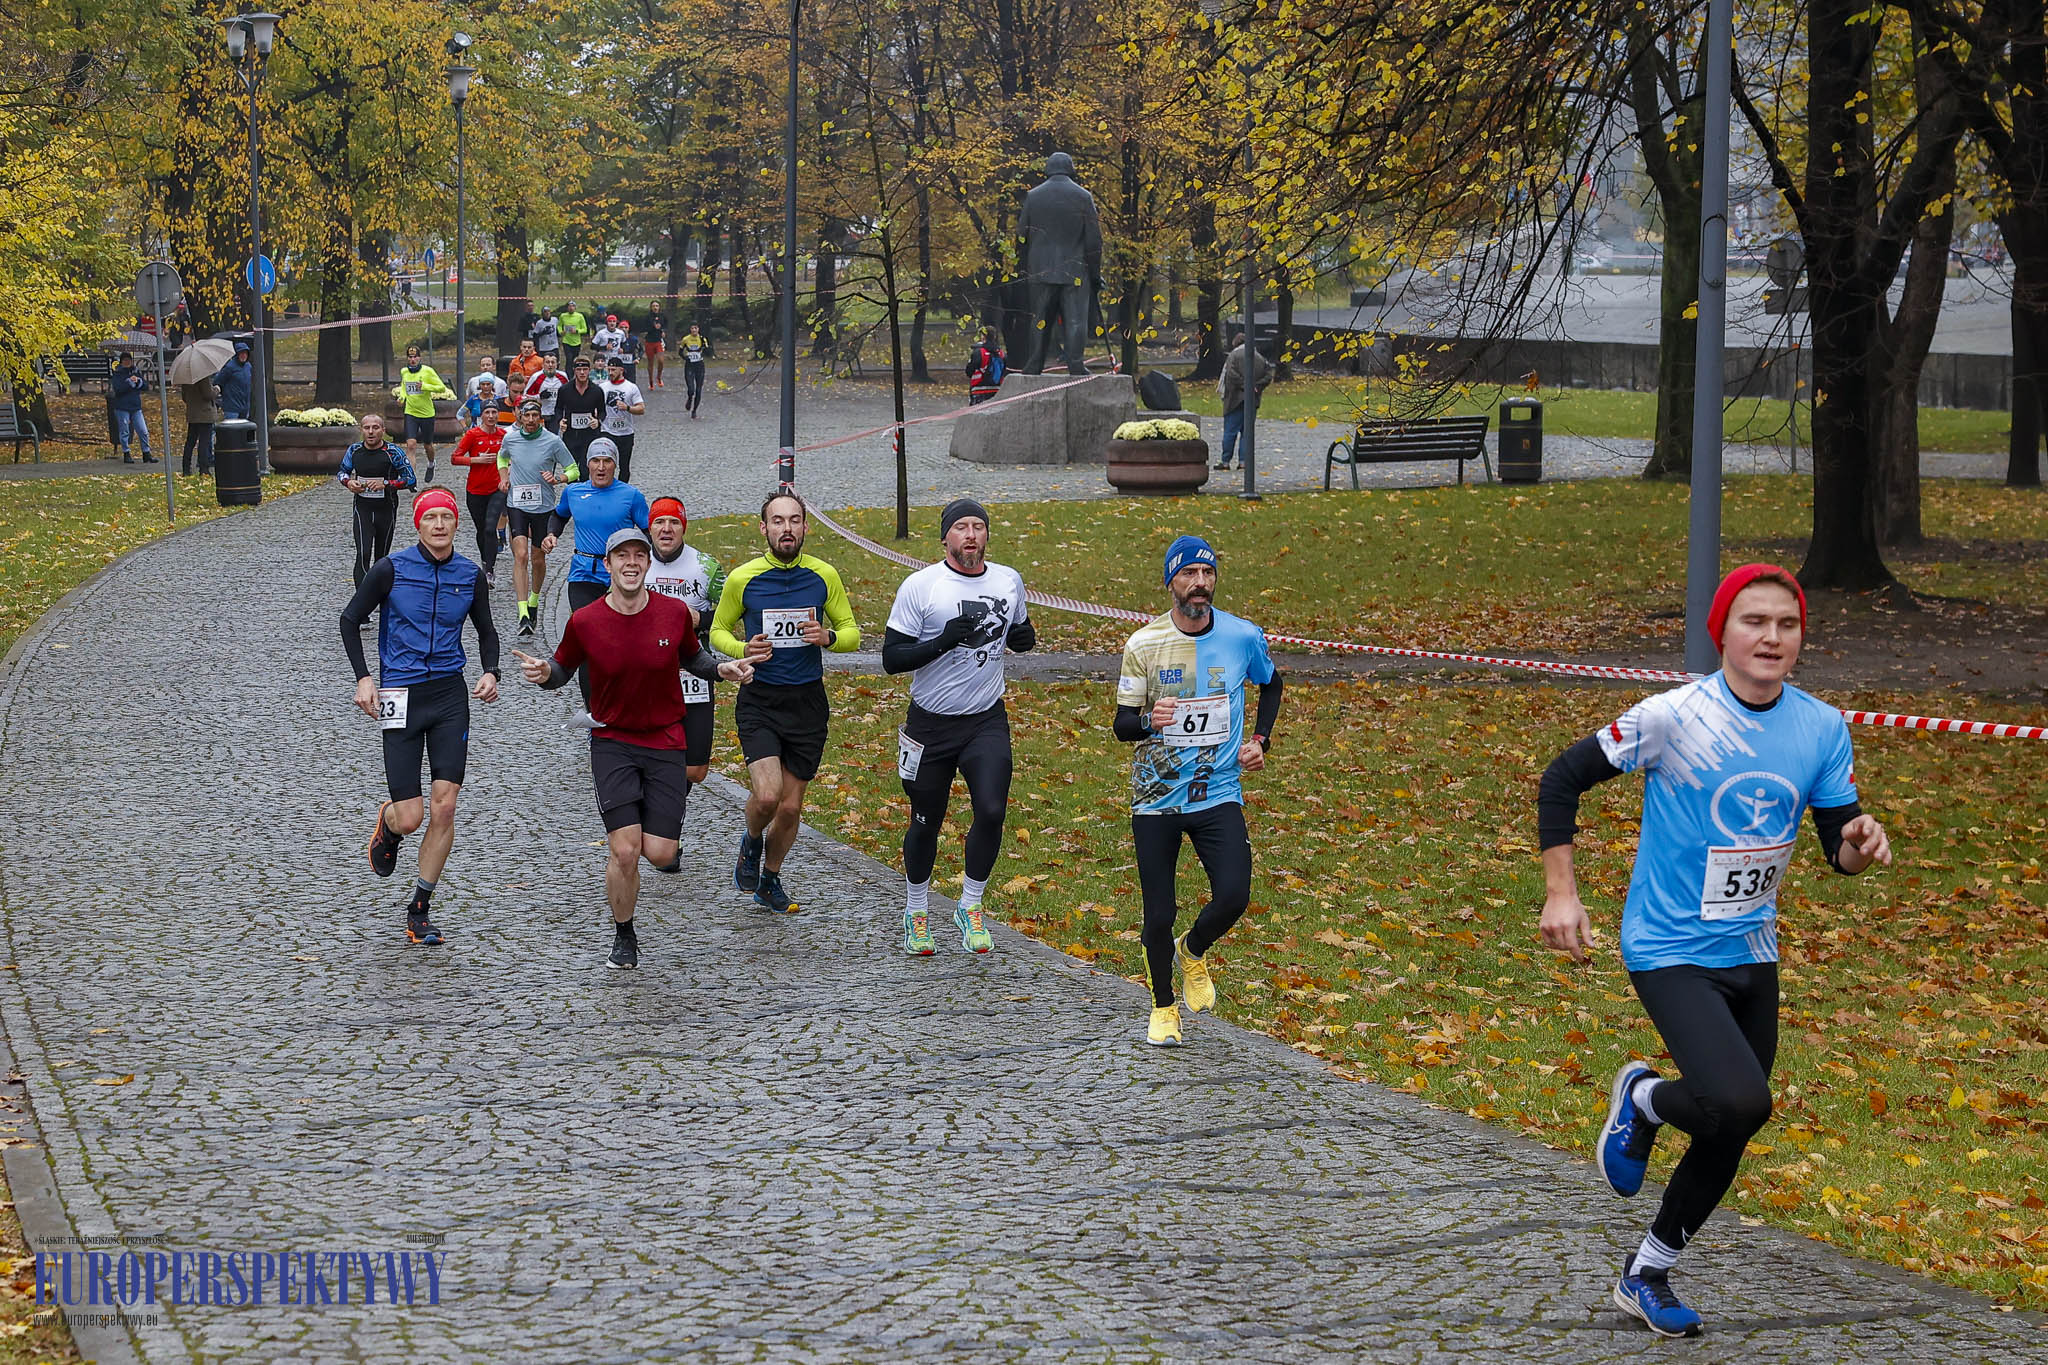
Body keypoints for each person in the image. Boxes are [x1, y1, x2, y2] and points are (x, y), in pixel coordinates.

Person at [1536, 564, 1892, 1340]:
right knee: (1739, 1100)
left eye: (1787, 624)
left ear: (1801, 637)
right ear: (1722, 632)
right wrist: (1563, 891)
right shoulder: (1673, 717)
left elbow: (1841, 843)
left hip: (1751, 949)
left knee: (1731, 1122)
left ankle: (1647, 1272)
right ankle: (1641, 1099)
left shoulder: (1821, 726)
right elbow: (1561, 778)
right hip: (1667, 946)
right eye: (1754, 621)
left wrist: (1862, 844)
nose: (1771, 637)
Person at [513, 527, 754, 968]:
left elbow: (692, 657)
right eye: (620, 556)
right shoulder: (585, 620)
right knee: (625, 851)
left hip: (665, 739)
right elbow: (563, 667)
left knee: (660, 853)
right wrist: (543, 673)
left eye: (638, 556)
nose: (630, 563)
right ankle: (624, 934)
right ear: (607, 566)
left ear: (647, 564)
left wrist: (723, 668)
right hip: (613, 741)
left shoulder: (674, 613)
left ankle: (640, 824)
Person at [1113, 535, 1283, 1047]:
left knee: (1234, 895)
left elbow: (1272, 684)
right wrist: (1149, 720)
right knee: (1158, 912)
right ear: (1171, 582)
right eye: (1189, 574)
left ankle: (1194, 949)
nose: (1200, 583)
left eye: (1208, 574)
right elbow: (1122, 726)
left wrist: (1260, 741)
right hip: (1157, 797)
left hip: (1218, 790)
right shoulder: (1144, 644)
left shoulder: (1241, 636)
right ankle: (1163, 1007)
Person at [340, 487, 501, 947]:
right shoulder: (391, 569)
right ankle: (388, 826)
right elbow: (350, 620)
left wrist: (490, 671)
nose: (438, 525)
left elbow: (487, 631)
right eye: (429, 517)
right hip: (401, 694)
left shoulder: (469, 575)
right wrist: (363, 679)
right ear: (418, 524)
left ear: (455, 524)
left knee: (446, 803)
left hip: (449, 694)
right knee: (411, 816)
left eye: (445, 518)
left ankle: (420, 908)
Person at [882, 499, 1035, 955]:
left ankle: (970, 905)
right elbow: (892, 659)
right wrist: (945, 639)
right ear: (944, 537)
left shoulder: (1008, 581)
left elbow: (1019, 630)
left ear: (987, 536)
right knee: (926, 821)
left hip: (985, 719)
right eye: (961, 528)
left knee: (991, 810)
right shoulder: (922, 586)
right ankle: (916, 911)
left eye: (978, 527)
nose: (970, 535)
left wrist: (1024, 639)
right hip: (930, 724)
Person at [708, 492, 860, 915]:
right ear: (764, 529)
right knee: (769, 797)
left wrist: (828, 637)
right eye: (778, 521)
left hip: (807, 701)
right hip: (760, 698)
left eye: (794, 520)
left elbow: (852, 633)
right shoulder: (744, 578)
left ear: (806, 527)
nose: (787, 528)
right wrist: (742, 646)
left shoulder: (823, 575)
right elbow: (717, 630)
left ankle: (770, 878)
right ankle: (752, 839)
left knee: (791, 808)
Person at [543, 439, 649, 714]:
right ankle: (594, 712)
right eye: (595, 461)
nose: (601, 467)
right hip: (583, 576)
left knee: (622, 640)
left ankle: (625, 700)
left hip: (620, 578)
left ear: (616, 464)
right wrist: (552, 534)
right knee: (590, 642)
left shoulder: (631, 495)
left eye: (607, 461)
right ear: (587, 464)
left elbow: (648, 535)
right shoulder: (574, 492)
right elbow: (559, 516)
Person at [644, 498, 726, 787]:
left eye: (674, 522)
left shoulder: (706, 566)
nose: (667, 529)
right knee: (646, 755)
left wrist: (700, 620)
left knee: (696, 769)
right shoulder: (636, 563)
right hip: (646, 675)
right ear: (650, 528)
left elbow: (732, 613)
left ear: (684, 527)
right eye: (659, 522)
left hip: (694, 674)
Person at [497, 398, 576, 636]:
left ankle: (534, 600)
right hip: (517, 504)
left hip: (542, 507)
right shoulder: (510, 438)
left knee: (538, 559)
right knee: (520, 555)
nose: (530, 420)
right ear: (520, 416)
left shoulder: (553, 441)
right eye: (527, 416)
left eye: (535, 416)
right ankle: (522, 614)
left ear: (540, 417)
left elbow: (574, 469)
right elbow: (502, 457)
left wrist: (559, 479)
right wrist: (503, 476)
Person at [337, 413, 420, 586]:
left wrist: (386, 484)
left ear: (383, 430)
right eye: (367, 428)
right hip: (363, 508)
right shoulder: (354, 450)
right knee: (363, 553)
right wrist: (348, 482)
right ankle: (362, 597)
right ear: (361, 430)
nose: (371, 432)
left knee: (381, 557)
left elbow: (410, 479)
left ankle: (380, 592)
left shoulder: (393, 452)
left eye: (375, 428)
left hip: (386, 509)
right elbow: (342, 471)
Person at [450, 400, 508, 584]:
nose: (491, 416)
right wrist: (476, 460)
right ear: (481, 415)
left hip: (497, 488)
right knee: (482, 529)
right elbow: (455, 458)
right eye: (487, 412)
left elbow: (513, 457)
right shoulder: (473, 435)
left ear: (498, 415)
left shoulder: (504, 435)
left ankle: (489, 570)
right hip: (475, 489)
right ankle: (485, 561)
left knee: (491, 528)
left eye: (494, 412)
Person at [393, 344, 455, 484]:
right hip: (411, 412)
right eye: (410, 357)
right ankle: (411, 478)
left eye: (415, 357)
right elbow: (404, 386)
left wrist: (425, 387)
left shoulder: (428, 371)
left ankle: (431, 463)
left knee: (428, 445)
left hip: (427, 413)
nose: (413, 359)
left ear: (420, 358)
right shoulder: (404, 371)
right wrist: (402, 397)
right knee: (411, 445)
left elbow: (441, 388)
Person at [1215, 330, 1272, 472]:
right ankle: (1243, 462)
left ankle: (1226, 461)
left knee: (1230, 431)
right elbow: (1268, 376)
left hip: (1234, 399)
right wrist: (1255, 386)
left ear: (1236, 343)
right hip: (1252, 399)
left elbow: (1231, 374)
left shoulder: (1233, 356)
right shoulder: (1260, 357)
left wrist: (1244, 385)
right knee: (1247, 433)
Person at [598, 356, 646, 484]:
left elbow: (641, 409)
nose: (610, 373)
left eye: (613, 370)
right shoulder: (602, 387)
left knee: (624, 467)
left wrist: (628, 407)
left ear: (621, 370)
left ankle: (622, 489)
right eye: (609, 369)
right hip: (607, 431)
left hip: (626, 432)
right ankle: (607, 487)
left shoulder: (631, 387)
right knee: (606, 464)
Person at [555, 356, 606, 470]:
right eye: (579, 370)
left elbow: (603, 411)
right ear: (574, 370)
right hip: (571, 435)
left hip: (590, 435)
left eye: (585, 369)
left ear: (589, 370)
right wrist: (560, 421)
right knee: (570, 470)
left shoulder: (597, 391)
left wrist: (598, 421)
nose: (582, 373)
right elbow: (558, 408)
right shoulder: (564, 390)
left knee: (585, 470)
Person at [110, 352, 156, 464]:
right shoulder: (118, 374)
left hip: (135, 406)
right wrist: (129, 383)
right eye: (125, 360)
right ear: (121, 362)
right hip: (122, 407)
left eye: (129, 360)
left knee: (143, 431)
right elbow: (118, 389)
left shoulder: (136, 371)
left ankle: (146, 453)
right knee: (124, 430)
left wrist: (138, 382)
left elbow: (145, 386)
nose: (127, 363)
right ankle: (126, 453)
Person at [180, 371, 219, 475]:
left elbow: (184, 397)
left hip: (192, 414)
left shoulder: (186, 378)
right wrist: (216, 389)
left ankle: (186, 468)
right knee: (204, 443)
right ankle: (204, 469)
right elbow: (208, 394)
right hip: (205, 414)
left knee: (190, 442)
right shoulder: (203, 376)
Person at [521, 351, 568, 434]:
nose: (550, 365)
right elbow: (525, 397)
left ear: (557, 364)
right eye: (547, 362)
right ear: (543, 364)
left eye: (553, 362)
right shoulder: (536, 377)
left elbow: (569, 394)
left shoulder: (563, 376)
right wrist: (540, 396)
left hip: (558, 414)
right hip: (543, 414)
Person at [464, 355, 511, 428]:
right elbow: (468, 396)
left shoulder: (501, 383)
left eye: (488, 365)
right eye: (483, 365)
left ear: (494, 366)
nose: (485, 367)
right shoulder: (473, 381)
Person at [214, 340, 253, 422]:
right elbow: (218, 381)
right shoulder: (230, 367)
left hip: (245, 407)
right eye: (241, 353)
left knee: (243, 432)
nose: (243, 355)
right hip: (231, 408)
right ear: (237, 354)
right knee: (232, 431)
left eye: (245, 353)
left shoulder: (248, 366)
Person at [965, 328, 1005, 405]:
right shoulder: (1001, 353)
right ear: (994, 337)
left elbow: (969, 371)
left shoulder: (978, 352)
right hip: (996, 390)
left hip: (979, 389)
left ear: (983, 337)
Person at [679, 323, 709, 418]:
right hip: (689, 366)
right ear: (690, 329)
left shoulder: (702, 339)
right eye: (692, 328)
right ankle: (689, 398)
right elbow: (680, 352)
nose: (694, 330)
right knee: (691, 389)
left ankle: (694, 410)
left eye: (695, 328)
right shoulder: (685, 339)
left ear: (698, 329)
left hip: (699, 366)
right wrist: (685, 357)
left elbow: (708, 351)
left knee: (699, 390)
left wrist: (704, 347)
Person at [645, 307, 667, 389]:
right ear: (651, 307)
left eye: (657, 306)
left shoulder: (662, 316)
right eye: (653, 306)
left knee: (661, 360)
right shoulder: (648, 317)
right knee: (650, 362)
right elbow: (645, 328)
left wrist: (663, 331)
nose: (655, 307)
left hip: (658, 341)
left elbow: (665, 325)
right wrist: (653, 327)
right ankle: (651, 381)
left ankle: (659, 377)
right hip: (649, 341)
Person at [619, 320, 643, 385]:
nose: (623, 329)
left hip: (631, 364)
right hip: (619, 365)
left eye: (625, 327)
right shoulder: (616, 339)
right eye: (621, 327)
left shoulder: (634, 339)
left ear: (628, 329)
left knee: (631, 383)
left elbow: (641, 350)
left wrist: (638, 359)